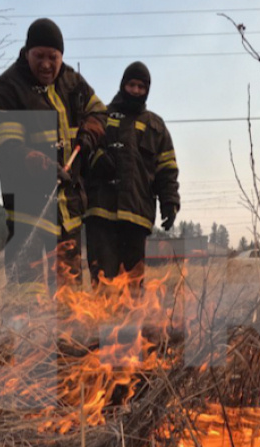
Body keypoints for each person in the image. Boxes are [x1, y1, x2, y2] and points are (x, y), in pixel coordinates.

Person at [0, 18, 106, 292]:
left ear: (62, 56)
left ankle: (69, 336)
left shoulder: (73, 82)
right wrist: (42, 166)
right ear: (27, 52)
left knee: (70, 298)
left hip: (68, 212)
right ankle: (27, 335)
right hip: (30, 212)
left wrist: (88, 135)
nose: (46, 64)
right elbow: (8, 148)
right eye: (39, 56)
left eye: (53, 57)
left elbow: (100, 112)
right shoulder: (7, 89)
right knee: (26, 294)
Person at [83, 61, 180, 287]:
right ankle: (103, 322)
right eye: (131, 85)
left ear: (147, 90)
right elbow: (80, 150)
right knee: (103, 283)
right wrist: (95, 158)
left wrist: (170, 202)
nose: (136, 90)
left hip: (136, 216)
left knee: (133, 288)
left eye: (141, 87)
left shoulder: (156, 126)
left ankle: (131, 323)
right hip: (101, 214)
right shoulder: (101, 117)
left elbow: (167, 170)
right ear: (122, 85)